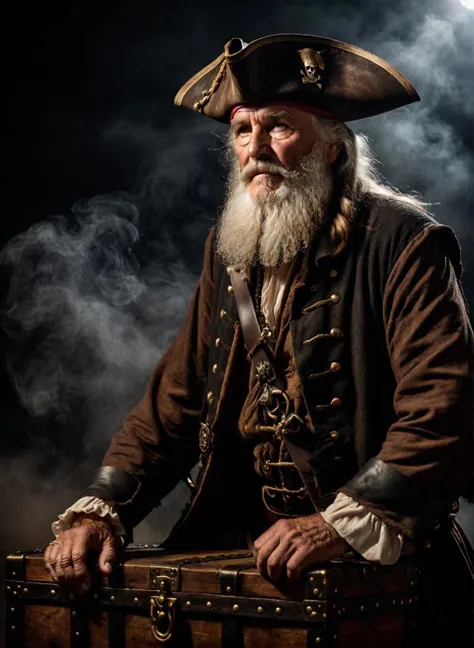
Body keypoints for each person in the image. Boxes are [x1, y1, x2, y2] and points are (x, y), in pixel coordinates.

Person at [43, 34, 473, 641]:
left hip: (387, 571)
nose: (256, 149)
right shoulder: (231, 249)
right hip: (250, 553)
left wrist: (338, 524)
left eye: (279, 127)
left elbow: (444, 407)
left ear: (330, 147)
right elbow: (176, 402)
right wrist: (103, 508)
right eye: (243, 132)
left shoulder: (403, 242)